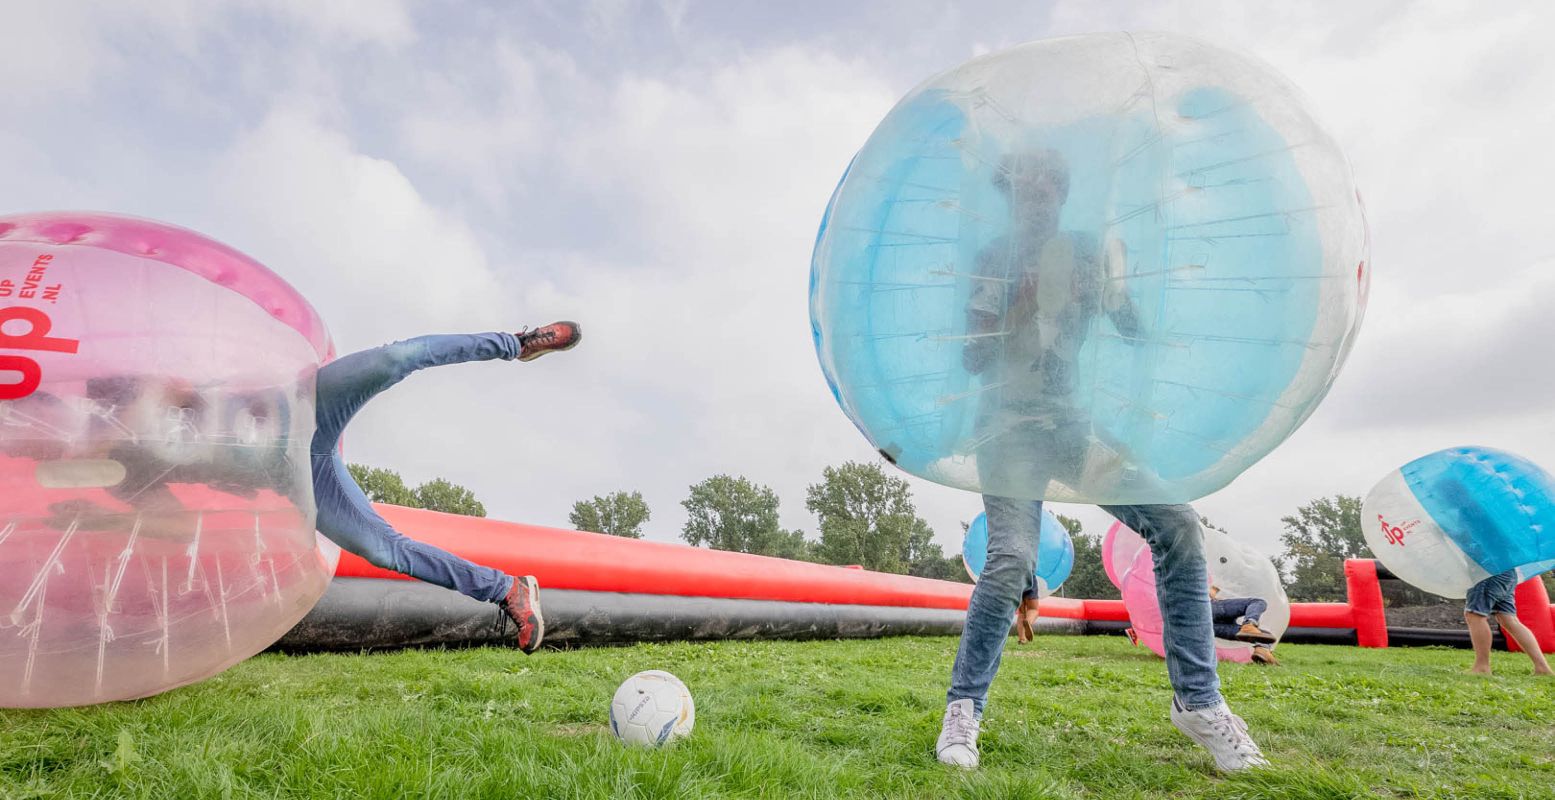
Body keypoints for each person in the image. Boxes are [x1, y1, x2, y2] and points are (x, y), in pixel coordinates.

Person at [936, 149, 1267, 772]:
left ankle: (1199, 704)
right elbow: (973, 360)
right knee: (1010, 559)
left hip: (1068, 427)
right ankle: (964, 709)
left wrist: (1119, 286)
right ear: (1010, 198)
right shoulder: (993, 261)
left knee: (1176, 524)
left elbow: (1134, 330)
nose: (1035, 199)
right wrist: (1021, 303)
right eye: (1022, 191)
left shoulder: (1088, 250)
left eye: (1046, 188)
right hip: (1007, 432)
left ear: (1060, 193)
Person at [310, 323, 582, 654]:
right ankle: (508, 590)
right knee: (381, 550)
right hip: (283, 474)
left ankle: (516, 344)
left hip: (309, 409)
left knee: (396, 358)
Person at [1464, 569, 1553, 676]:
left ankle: (1482, 666)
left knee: (1475, 615)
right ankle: (1542, 668)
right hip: (1507, 572)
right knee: (1509, 620)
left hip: (1488, 571)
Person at [1209, 584, 1280, 666]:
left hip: (1204, 626)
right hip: (1206, 608)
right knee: (1257, 602)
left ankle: (1262, 652)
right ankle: (1249, 624)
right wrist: (1213, 590)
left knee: (1265, 636)